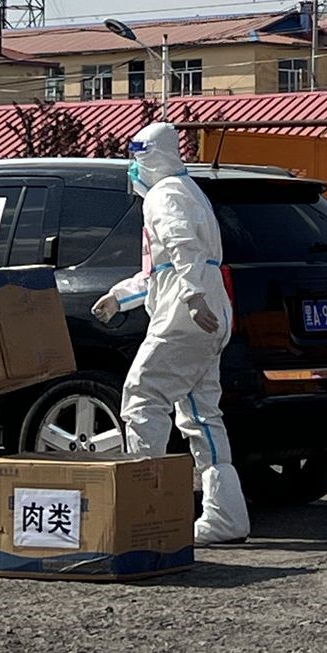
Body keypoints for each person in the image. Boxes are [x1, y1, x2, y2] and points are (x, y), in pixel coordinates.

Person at [94, 122, 250, 546]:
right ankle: (226, 517)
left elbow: (183, 248)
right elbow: (158, 271)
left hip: (185, 313)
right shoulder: (188, 190)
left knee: (143, 397)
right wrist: (119, 297)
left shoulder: (163, 195)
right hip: (208, 311)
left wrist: (193, 295)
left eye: (135, 158)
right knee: (201, 414)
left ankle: (147, 510)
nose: (132, 169)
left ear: (148, 157)